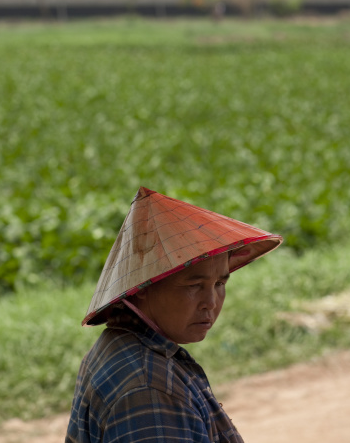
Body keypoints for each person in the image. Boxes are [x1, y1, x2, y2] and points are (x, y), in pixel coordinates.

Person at [66, 186, 282, 443]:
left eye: (219, 284)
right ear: (143, 288)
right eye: (193, 286)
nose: (210, 303)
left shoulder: (117, 344)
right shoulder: (150, 389)